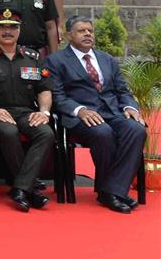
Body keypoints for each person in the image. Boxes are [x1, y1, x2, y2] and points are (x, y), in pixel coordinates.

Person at [45, 16, 147, 213]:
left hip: (113, 112)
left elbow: (122, 90)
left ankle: (110, 190)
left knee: (136, 129)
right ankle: (114, 193)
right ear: (68, 35)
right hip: (80, 116)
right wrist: (80, 110)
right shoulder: (55, 61)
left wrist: (130, 108)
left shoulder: (106, 59)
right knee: (103, 132)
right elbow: (58, 96)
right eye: (81, 31)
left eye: (90, 31)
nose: (87, 34)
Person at [0, 10, 53, 211]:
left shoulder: (33, 57)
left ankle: (21, 188)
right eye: (2, 27)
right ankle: (29, 189)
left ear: (19, 31)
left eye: (12, 27)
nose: (7, 31)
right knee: (9, 132)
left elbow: (44, 89)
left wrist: (44, 112)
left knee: (46, 133)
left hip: (26, 112)